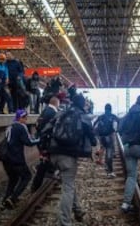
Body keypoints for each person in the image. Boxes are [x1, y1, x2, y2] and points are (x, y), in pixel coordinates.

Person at [48, 94, 97, 225]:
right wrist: (92, 142)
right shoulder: (83, 116)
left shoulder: (61, 113)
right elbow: (92, 138)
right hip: (68, 156)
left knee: (68, 182)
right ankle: (64, 222)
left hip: (53, 154)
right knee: (67, 188)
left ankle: (78, 209)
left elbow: (46, 129)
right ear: (81, 104)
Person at [1, 109, 39, 209]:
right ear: (20, 118)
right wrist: (39, 140)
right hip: (16, 158)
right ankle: (12, 198)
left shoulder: (10, 126)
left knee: (13, 179)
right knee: (27, 176)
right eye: (25, 117)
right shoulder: (21, 127)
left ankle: (5, 200)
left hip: (6, 158)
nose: (26, 119)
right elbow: (29, 142)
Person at [30, 96, 60, 193]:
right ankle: (35, 186)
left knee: (47, 162)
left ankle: (38, 184)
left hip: (42, 141)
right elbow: (51, 129)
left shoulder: (45, 110)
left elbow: (37, 125)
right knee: (44, 163)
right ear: (57, 103)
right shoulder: (52, 112)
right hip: (46, 142)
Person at [93, 103, 119, 178]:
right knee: (109, 154)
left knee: (103, 148)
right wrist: (114, 131)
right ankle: (110, 172)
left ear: (105, 109)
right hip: (109, 136)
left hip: (101, 137)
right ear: (111, 109)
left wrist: (97, 134)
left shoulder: (101, 117)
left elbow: (94, 125)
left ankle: (105, 166)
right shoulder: (113, 116)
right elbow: (116, 127)